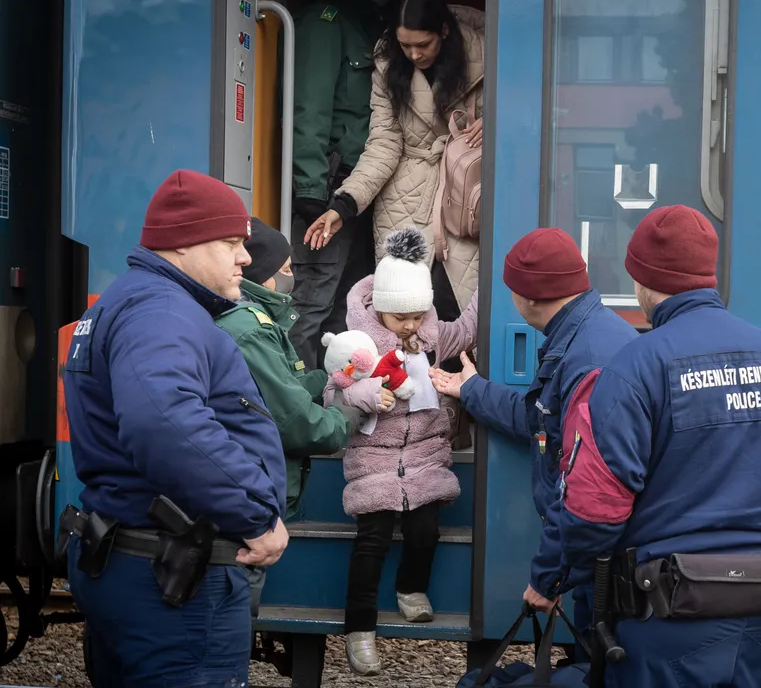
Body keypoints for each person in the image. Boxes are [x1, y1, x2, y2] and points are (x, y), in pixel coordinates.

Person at [552, 205, 761, 687]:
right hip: (759, 610)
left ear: (641, 280)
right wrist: (747, 543)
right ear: (708, 275)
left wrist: (572, 566)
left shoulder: (635, 366)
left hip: (660, 616)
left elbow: (595, 510)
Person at [60, 170, 289, 686]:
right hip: (172, 582)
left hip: (134, 560)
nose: (246, 257)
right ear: (183, 244)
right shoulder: (162, 311)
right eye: (231, 242)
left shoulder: (130, 302)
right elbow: (163, 423)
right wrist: (254, 513)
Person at [429, 228, 638, 654]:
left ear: (526, 297)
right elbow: (540, 419)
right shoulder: (588, 335)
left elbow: (585, 484)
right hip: (603, 557)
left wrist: (549, 575)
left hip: (603, 561)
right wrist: (472, 390)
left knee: (597, 661)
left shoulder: (587, 360)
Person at [324, 226, 479, 675]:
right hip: (374, 460)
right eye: (401, 318)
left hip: (425, 459)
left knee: (425, 531)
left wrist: (486, 281)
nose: (411, 325)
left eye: (417, 315)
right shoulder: (359, 344)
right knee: (371, 542)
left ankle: (412, 590)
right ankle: (360, 629)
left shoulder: (432, 337)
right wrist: (367, 392)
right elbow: (332, 397)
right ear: (382, 311)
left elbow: (469, 325)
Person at [303, 0, 486, 318]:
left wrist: (497, 125)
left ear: (444, 32)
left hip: (467, 196)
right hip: (406, 198)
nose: (414, 55)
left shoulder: (491, 56)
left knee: (460, 309)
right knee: (404, 312)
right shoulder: (389, 65)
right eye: (405, 46)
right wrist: (344, 204)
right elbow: (384, 144)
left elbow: (536, 112)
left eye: (422, 44)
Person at [214, 216, 362, 615]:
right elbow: (297, 423)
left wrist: (330, 378)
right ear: (260, 277)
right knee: (234, 617)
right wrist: (350, 413)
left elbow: (287, 385)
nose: (292, 277)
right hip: (248, 499)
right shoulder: (249, 329)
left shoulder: (252, 321)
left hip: (242, 494)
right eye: (284, 270)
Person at [288, 0, 389, 370]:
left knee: (344, 304)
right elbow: (309, 109)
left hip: (352, 192)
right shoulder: (326, 24)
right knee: (311, 302)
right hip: (327, 189)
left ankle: (330, 406)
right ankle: (296, 410)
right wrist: (311, 190)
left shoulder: (361, 28)